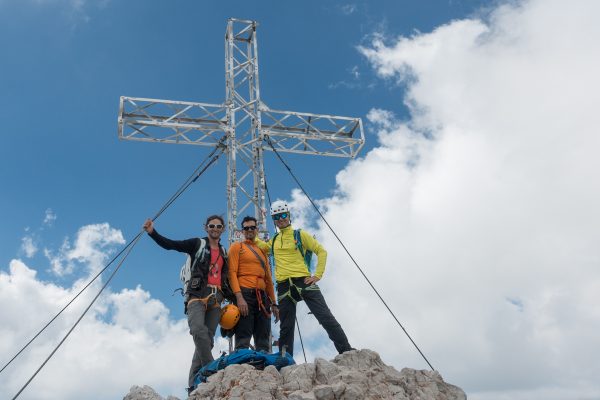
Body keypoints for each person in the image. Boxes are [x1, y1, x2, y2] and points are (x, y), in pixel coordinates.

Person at [142, 215, 230, 392]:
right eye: (211, 225)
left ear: (223, 229)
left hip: (216, 298)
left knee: (207, 339)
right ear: (206, 227)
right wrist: (153, 233)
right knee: (198, 330)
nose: (215, 228)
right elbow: (172, 245)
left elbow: (226, 278)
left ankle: (193, 385)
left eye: (218, 226)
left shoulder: (224, 252)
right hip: (197, 295)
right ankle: (211, 369)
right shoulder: (197, 244)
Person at [256, 200, 354, 356]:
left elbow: (321, 251)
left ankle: (346, 350)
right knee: (286, 327)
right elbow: (261, 246)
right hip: (283, 285)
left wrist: (317, 275)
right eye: (276, 217)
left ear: (289, 216)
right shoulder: (273, 240)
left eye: (283, 215)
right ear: (273, 220)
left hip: (304, 281)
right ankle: (285, 359)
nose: (280, 219)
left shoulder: (300, 234)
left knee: (325, 317)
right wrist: (250, 234)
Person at [227, 216, 279, 352]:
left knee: (263, 335)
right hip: (245, 294)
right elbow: (231, 273)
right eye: (246, 228)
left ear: (257, 229)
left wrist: (274, 303)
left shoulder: (263, 251)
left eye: (252, 227)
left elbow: (268, 279)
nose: (249, 230)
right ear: (242, 231)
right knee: (243, 334)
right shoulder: (236, 247)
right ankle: (241, 367)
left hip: (263, 297)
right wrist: (239, 298)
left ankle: (263, 367)